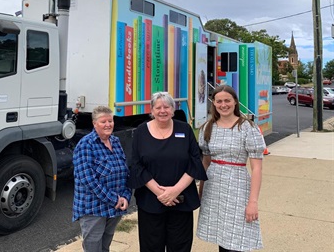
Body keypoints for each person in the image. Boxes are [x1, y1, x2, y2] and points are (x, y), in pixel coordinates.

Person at [129, 92, 207, 252]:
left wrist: (175, 191)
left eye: (167, 107)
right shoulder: (141, 132)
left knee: (180, 247)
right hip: (150, 201)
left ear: (173, 109)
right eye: (158, 107)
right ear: (152, 110)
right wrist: (161, 193)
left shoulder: (184, 129)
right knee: (151, 247)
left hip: (181, 200)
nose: (162, 110)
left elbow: (195, 161)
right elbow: (136, 165)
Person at [197, 85, 265, 252]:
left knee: (239, 237)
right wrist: (200, 192)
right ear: (214, 103)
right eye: (219, 101)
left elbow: (257, 169)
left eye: (227, 100)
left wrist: (253, 202)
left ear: (235, 102)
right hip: (214, 186)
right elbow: (206, 162)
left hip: (237, 185)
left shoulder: (247, 128)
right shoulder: (208, 127)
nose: (223, 104)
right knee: (222, 236)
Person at [72, 106, 131, 252]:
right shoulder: (86, 145)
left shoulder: (116, 142)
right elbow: (88, 180)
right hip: (93, 209)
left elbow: (125, 172)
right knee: (93, 248)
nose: (108, 124)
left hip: (113, 208)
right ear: (94, 123)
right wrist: (114, 199)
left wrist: (125, 196)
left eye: (110, 121)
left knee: (105, 247)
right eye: (103, 121)